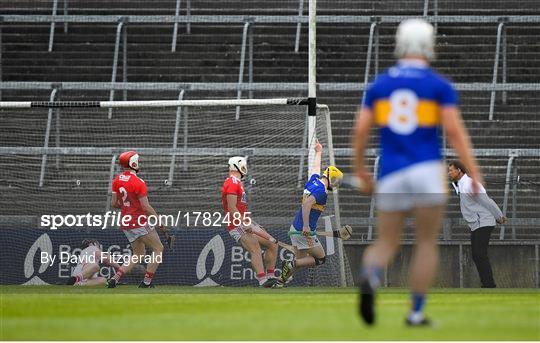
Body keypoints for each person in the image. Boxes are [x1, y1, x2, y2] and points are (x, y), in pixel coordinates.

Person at [353, 18, 483, 326]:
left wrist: (361, 170)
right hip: (426, 169)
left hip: (392, 171)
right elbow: (454, 131)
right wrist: (474, 173)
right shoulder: (438, 85)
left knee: (385, 242)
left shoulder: (380, 84)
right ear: (429, 44)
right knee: (425, 243)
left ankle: (370, 276)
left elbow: (360, 130)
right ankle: (415, 313)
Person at [106, 150, 173, 288]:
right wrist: (160, 222)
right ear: (133, 163)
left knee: (138, 254)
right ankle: (146, 282)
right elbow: (146, 207)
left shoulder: (117, 180)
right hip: (139, 221)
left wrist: (128, 206)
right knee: (158, 248)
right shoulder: (139, 182)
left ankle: (115, 278)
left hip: (125, 222)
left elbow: (113, 204)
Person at [280, 141, 343, 285]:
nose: (335, 183)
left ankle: (280, 281)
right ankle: (287, 269)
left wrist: (319, 151)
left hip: (295, 227)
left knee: (299, 260)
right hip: (304, 230)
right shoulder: (321, 192)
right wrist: (307, 227)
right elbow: (307, 203)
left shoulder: (314, 181)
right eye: (335, 180)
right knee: (320, 258)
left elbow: (315, 168)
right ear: (329, 177)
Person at [222, 156, 278, 288]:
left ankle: (271, 277)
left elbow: (241, 208)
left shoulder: (237, 183)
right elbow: (231, 207)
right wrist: (244, 223)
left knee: (273, 244)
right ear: (238, 166)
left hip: (244, 221)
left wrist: (251, 222)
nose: (245, 168)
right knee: (255, 249)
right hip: (236, 224)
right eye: (244, 165)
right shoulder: (231, 182)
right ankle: (263, 281)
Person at [448, 160, 506, 288]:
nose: (449, 172)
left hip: (483, 221)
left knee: (479, 254)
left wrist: (499, 216)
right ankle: (487, 283)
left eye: (451, 170)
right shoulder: (462, 184)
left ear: (459, 170)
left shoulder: (470, 184)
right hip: (477, 223)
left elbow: (487, 202)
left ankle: (489, 284)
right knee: (477, 254)